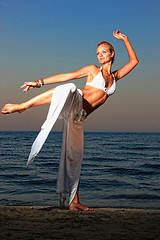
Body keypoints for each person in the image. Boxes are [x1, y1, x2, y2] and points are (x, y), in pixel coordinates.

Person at [1, 29, 139, 210]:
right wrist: (38, 82)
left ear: (112, 53)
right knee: (70, 87)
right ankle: (22, 106)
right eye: (98, 53)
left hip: (78, 118)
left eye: (103, 52)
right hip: (76, 101)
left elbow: (134, 61)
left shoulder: (115, 77)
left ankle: (74, 202)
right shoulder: (92, 70)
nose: (100, 56)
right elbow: (67, 76)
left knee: (75, 159)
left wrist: (125, 39)